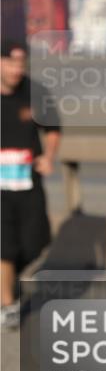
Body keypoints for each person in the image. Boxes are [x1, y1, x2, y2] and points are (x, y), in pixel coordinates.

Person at [1, 39, 61, 330]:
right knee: (5, 247)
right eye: (10, 63)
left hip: (28, 182)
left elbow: (53, 129)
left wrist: (49, 156)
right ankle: (8, 304)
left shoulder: (35, 92)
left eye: (20, 64)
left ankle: (8, 280)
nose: (15, 69)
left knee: (37, 242)